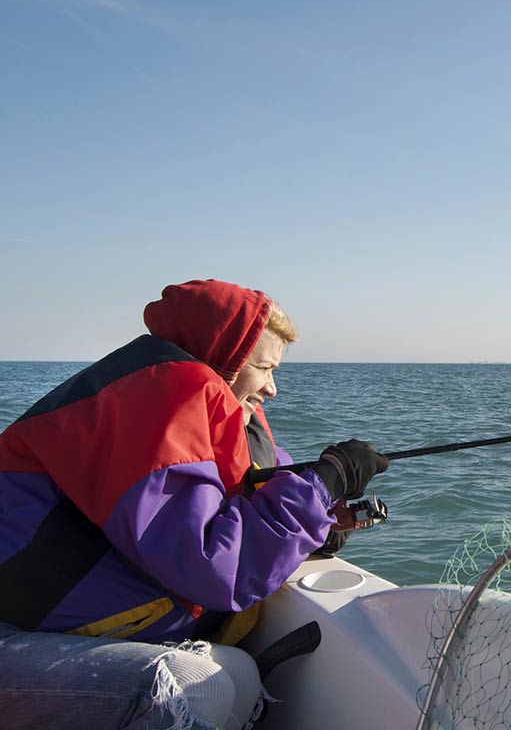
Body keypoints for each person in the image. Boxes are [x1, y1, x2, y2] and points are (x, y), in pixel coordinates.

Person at [0, 279, 389, 729]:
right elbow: (209, 564)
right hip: (15, 634)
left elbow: (255, 509)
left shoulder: (215, 411)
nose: (271, 389)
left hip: (61, 632)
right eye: (263, 368)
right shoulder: (157, 399)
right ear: (222, 355)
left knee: (239, 676)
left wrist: (321, 524)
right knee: (191, 683)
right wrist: (329, 478)